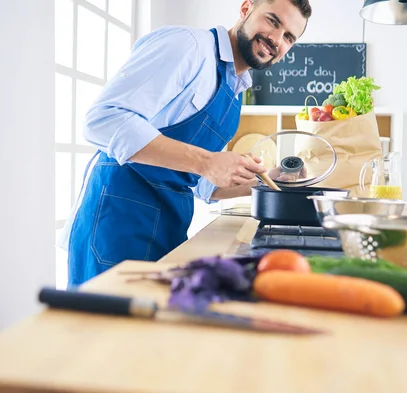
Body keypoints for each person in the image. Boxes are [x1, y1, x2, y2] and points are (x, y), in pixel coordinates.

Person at [61, 0, 312, 288]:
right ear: (245, 9)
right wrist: (207, 162)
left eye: (289, 37)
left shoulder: (236, 89)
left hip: (167, 225)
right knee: (101, 330)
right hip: (116, 220)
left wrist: (265, 181)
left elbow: (200, 181)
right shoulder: (188, 46)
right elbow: (102, 120)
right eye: (273, 21)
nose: (276, 39)